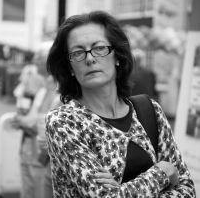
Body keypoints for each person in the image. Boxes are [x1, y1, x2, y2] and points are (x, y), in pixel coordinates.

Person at [45, 11, 195, 197]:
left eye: (99, 48)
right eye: (78, 53)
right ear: (70, 68)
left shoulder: (150, 110)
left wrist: (123, 190)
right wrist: (162, 172)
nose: (90, 58)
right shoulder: (64, 122)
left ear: (117, 56)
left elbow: (187, 189)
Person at [10, 63, 46, 198]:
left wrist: (22, 122)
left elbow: (39, 125)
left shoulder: (47, 92)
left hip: (38, 153)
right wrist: (22, 122)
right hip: (27, 150)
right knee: (27, 189)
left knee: (37, 190)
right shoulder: (28, 95)